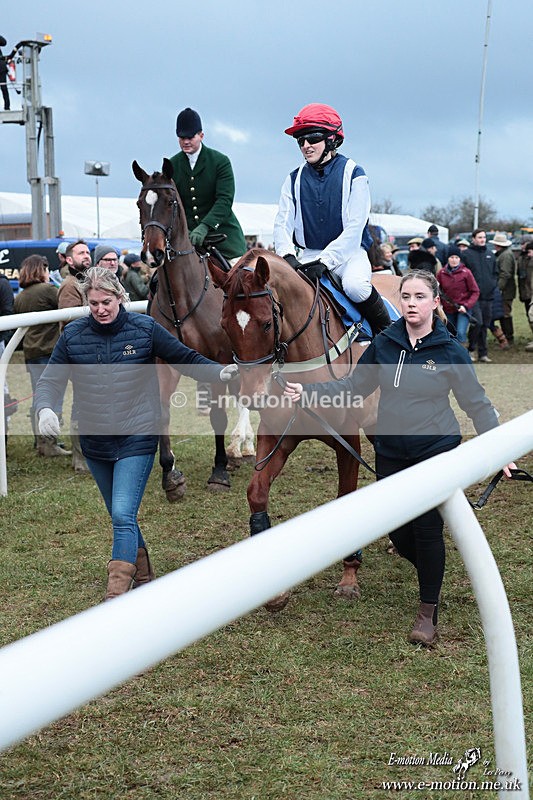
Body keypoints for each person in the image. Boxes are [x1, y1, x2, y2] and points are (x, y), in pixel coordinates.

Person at [282, 270, 515, 646]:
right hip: (389, 451)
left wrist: (500, 447)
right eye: (406, 296)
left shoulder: (449, 350)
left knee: (425, 529)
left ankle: (428, 613)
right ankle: (431, 572)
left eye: (420, 297)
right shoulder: (385, 342)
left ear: (435, 303)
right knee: (400, 535)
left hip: (433, 453)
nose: (411, 304)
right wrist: (307, 394)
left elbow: (477, 403)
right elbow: (354, 386)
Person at [35, 267, 238, 600]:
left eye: (107, 301)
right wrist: (45, 407)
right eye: (94, 302)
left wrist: (220, 373)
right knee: (121, 514)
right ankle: (144, 574)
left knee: (122, 513)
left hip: (139, 436)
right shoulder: (72, 336)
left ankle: (117, 594)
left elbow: (184, 357)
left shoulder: (144, 328)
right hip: (95, 441)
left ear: (121, 297)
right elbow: (50, 380)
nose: (100, 309)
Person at [274, 103, 391, 335]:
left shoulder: (354, 173)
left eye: (312, 138)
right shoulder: (293, 178)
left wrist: (326, 260)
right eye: (300, 141)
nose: (305, 146)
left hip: (349, 255)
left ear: (331, 139)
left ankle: (388, 335)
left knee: (356, 287)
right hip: (307, 255)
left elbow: (355, 228)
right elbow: (282, 223)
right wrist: (287, 255)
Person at [168, 107, 247, 263]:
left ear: (201, 135)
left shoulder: (220, 161)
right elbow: (172, 202)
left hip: (222, 237)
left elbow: (224, 200)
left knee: (241, 280)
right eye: (181, 137)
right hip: (187, 239)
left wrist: (204, 226)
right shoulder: (172, 164)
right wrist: (185, 230)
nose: (185, 141)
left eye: (190, 137)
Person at [13, 255, 70, 457]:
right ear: (41, 270)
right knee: (54, 398)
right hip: (49, 351)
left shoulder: (20, 296)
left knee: (40, 396)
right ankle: (49, 443)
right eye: (46, 268)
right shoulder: (47, 290)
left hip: (31, 352)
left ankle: (41, 441)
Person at [58, 240, 92, 472]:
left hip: (92, 354)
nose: (87, 256)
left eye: (88, 252)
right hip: (80, 357)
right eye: (81, 253)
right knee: (81, 407)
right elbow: (71, 325)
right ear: (69, 260)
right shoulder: (70, 285)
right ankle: (80, 459)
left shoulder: (86, 281)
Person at [462, 229, 498, 363]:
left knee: (485, 325)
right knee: (478, 322)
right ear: (473, 238)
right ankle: (471, 348)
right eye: (479, 237)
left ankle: (483, 353)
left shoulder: (490, 254)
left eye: (484, 237)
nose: (482, 239)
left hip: (488, 296)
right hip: (473, 296)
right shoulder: (466, 254)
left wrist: (493, 284)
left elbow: (495, 273)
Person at [436, 244, 479, 345]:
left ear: (460, 259)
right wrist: (440, 305)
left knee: (460, 332)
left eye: (456, 257)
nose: (454, 260)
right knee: (450, 332)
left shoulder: (466, 272)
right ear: (448, 258)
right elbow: (437, 290)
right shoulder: (441, 273)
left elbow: (475, 291)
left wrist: (466, 305)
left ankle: (462, 355)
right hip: (448, 309)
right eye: (451, 257)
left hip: (463, 309)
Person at [489, 232, 516, 346]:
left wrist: (499, 288)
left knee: (505, 314)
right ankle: (505, 337)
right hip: (505, 290)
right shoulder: (504, 254)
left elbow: (505, 274)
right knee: (503, 313)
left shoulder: (505, 255)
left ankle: (508, 337)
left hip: (505, 291)